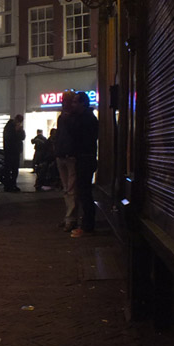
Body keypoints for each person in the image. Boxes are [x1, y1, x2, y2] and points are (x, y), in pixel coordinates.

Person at [70, 92, 99, 238]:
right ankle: (87, 223)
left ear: (82, 103)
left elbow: (79, 137)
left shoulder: (86, 119)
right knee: (84, 192)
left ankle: (87, 226)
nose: (73, 105)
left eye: (75, 102)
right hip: (85, 157)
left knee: (85, 192)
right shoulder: (87, 118)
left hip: (85, 158)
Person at [55, 91, 78, 231]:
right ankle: (69, 217)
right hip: (63, 155)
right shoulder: (63, 116)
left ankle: (71, 218)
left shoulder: (72, 117)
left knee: (70, 189)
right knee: (67, 189)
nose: (64, 103)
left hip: (69, 155)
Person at [2, 114, 26, 192]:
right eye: (18, 121)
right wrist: (16, 131)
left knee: (15, 169)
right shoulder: (9, 127)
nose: (19, 123)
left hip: (16, 151)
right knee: (8, 169)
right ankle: (7, 186)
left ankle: (13, 184)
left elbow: (22, 137)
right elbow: (9, 138)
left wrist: (20, 130)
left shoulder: (19, 128)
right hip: (9, 151)